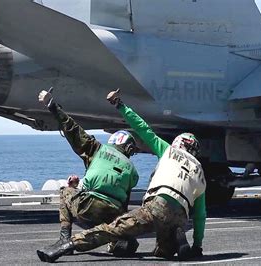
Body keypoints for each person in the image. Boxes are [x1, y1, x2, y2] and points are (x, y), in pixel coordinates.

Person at [36, 89, 206, 262]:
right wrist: (198, 245)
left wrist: (119, 104)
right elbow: (200, 215)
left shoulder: (167, 150)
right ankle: (176, 236)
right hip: (180, 215)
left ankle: (66, 243)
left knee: (111, 228)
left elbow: (142, 128)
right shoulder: (199, 173)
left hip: (155, 205)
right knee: (163, 253)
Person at [38, 89, 141, 256]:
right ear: (128, 148)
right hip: (112, 215)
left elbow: (72, 129)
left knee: (65, 191)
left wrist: (52, 105)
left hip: (87, 208)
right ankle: (118, 242)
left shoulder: (97, 149)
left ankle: (65, 238)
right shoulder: (132, 171)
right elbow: (125, 204)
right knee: (129, 240)